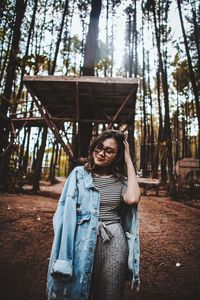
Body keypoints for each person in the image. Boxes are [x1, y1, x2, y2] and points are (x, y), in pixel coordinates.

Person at [47, 130, 141, 300]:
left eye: (110, 151)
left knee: (110, 294)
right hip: (80, 240)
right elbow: (63, 216)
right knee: (76, 291)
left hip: (113, 242)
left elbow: (133, 198)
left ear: (117, 156)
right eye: (99, 147)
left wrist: (128, 159)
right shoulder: (78, 175)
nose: (102, 153)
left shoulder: (121, 182)